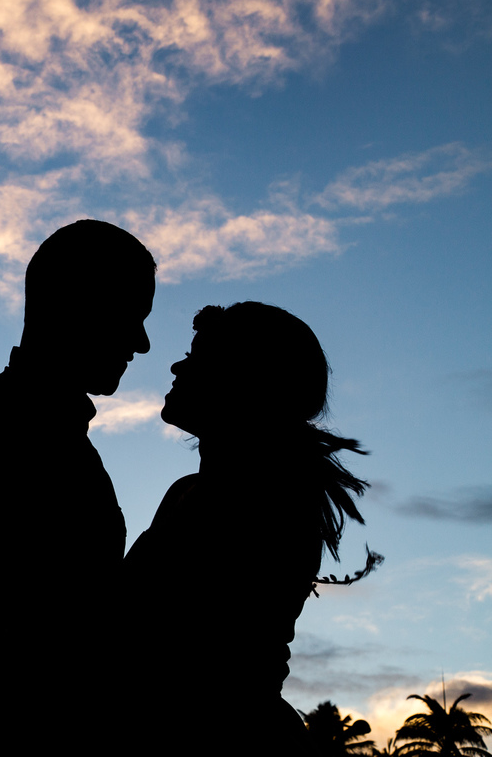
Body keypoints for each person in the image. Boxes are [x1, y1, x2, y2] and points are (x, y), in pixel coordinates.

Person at [0, 220, 156, 753]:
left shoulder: (24, 422)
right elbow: (46, 634)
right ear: (78, 305)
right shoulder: (16, 429)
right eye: (132, 316)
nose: (142, 343)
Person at [119, 302, 371, 756]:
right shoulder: (197, 492)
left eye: (198, 357)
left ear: (242, 381)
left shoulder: (258, 504)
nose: (177, 366)